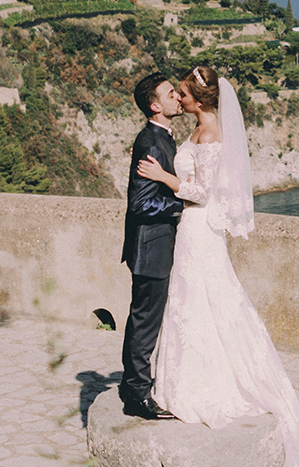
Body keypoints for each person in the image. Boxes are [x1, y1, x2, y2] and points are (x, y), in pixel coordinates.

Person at [135, 65, 299, 465]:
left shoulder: (213, 133)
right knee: (188, 302)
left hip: (199, 228)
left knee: (204, 298)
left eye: (182, 93)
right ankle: (181, 381)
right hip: (188, 228)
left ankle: (209, 385)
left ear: (199, 102)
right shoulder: (199, 129)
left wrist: (163, 176)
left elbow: (202, 191)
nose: (178, 99)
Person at [119, 71, 184, 420]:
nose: (178, 96)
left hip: (153, 244)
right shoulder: (153, 142)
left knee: (142, 318)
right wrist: (182, 206)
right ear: (155, 105)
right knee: (146, 322)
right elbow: (140, 204)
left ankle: (131, 385)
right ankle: (138, 396)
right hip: (151, 246)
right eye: (171, 93)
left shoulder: (159, 137)